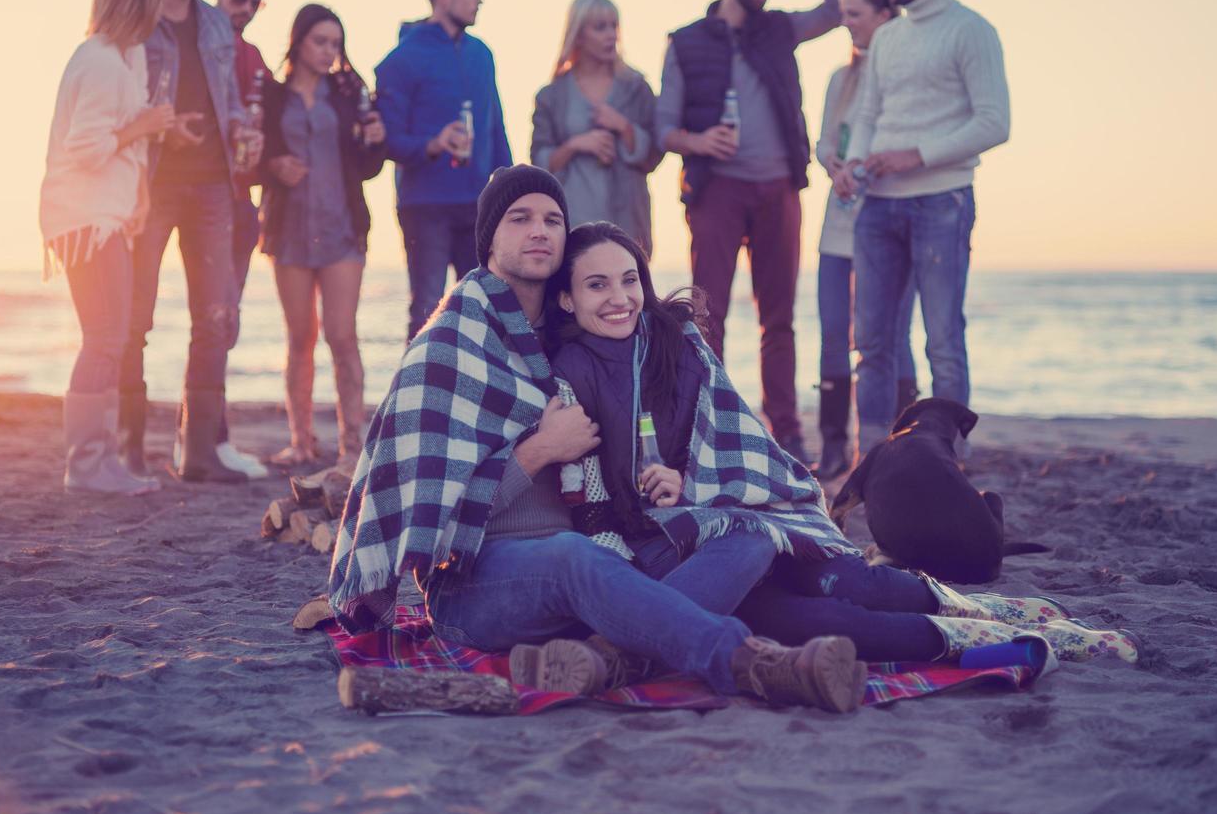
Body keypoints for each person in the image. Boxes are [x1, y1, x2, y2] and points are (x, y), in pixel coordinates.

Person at [326, 166, 871, 714]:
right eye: (520, 219)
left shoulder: (570, 336)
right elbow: (436, 523)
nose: (539, 231)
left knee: (750, 535)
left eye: (552, 220)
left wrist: (671, 478)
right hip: (477, 587)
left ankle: (608, 659)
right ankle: (751, 663)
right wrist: (541, 449)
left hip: (599, 566)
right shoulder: (450, 347)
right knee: (569, 556)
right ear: (489, 237)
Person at [536, 221, 1138, 678]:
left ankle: (1001, 611)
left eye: (629, 279)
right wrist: (659, 499)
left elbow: (731, 442)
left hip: (738, 519)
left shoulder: (678, 345)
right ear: (566, 299)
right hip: (673, 554)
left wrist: (686, 482)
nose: (619, 298)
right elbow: (587, 500)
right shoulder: (567, 374)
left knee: (852, 583)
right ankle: (1006, 647)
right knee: (815, 620)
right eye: (596, 285)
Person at [657, 0, 844, 464]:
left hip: (779, 189)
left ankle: (786, 431)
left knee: (778, 316)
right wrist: (699, 142)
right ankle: (710, 425)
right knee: (706, 314)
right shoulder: (687, 41)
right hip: (716, 190)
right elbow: (663, 127)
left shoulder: (780, 29)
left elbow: (837, 3)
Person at [839, 0, 1010, 460]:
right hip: (877, 207)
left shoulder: (971, 30)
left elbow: (995, 122)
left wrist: (916, 157)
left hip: (943, 201)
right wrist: (853, 161)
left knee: (943, 342)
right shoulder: (887, 39)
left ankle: (946, 460)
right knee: (871, 344)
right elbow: (867, 114)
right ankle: (873, 460)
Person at [119, 0, 262, 484]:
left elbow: (227, 99)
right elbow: (120, 98)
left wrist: (240, 130)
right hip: (148, 185)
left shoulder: (212, 24)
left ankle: (198, 454)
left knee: (217, 315)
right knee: (135, 317)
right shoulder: (137, 16)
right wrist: (161, 127)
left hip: (211, 187)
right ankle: (127, 452)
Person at [40, 0, 176, 494]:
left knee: (111, 337)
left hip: (108, 216)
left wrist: (139, 194)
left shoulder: (127, 56)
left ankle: (101, 460)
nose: (163, 8)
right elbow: (87, 147)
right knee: (104, 338)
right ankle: (87, 464)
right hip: (83, 218)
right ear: (136, 1)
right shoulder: (96, 62)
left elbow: (130, 138)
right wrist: (139, 125)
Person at [259, 4, 386, 467]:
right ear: (298, 41)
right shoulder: (273, 97)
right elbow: (254, 157)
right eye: (320, 42)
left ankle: (353, 444)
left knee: (341, 333)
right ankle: (301, 440)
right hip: (288, 229)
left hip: (341, 226)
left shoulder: (349, 91)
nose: (329, 52)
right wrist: (273, 167)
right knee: (299, 338)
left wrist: (375, 140)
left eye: (336, 43)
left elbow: (370, 166)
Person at [374, 0, 513, 343]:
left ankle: (477, 401)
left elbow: (496, 130)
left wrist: (512, 193)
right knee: (426, 309)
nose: (480, 0)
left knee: (485, 310)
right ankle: (416, 403)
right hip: (425, 206)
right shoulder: (400, 60)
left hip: (479, 206)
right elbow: (389, 141)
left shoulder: (482, 55)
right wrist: (433, 144)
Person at [813, 0, 918, 480]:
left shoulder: (904, 77)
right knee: (835, 331)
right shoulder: (841, 78)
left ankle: (905, 443)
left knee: (889, 337)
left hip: (891, 221)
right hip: (839, 224)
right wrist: (835, 167)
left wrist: (867, 170)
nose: (845, 22)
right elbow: (825, 141)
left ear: (883, 15)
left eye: (854, 13)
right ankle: (835, 446)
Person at [193, 0, 271, 479]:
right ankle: (205, 443)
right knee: (213, 319)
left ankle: (209, 439)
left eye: (255, 1)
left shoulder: (254, 56)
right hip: (200, 198)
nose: (244, 7)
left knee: (225, 320)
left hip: (240, 200)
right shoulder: (195, 43)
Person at [531, 0, 662, 256]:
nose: (611, 35)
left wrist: (624, 126)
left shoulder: (636, 87)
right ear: (578, 34)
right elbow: (539, 166)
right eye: (600, 27)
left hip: (627, 222)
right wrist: (576, 144)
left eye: (614, 26)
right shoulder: (551, 96)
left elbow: (654, 155)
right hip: (572, 224)